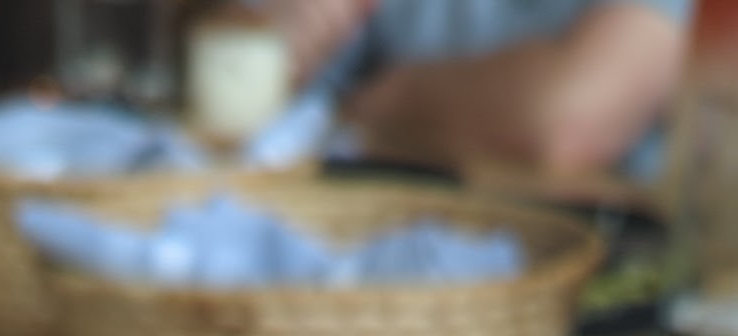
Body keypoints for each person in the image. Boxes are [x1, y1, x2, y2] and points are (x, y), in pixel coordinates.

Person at [268, 0, 691, 175]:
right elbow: (276, 117)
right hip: (380, 253)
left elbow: (568, 125)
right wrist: (281, 41)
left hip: (599, 283)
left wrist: (384, 97)